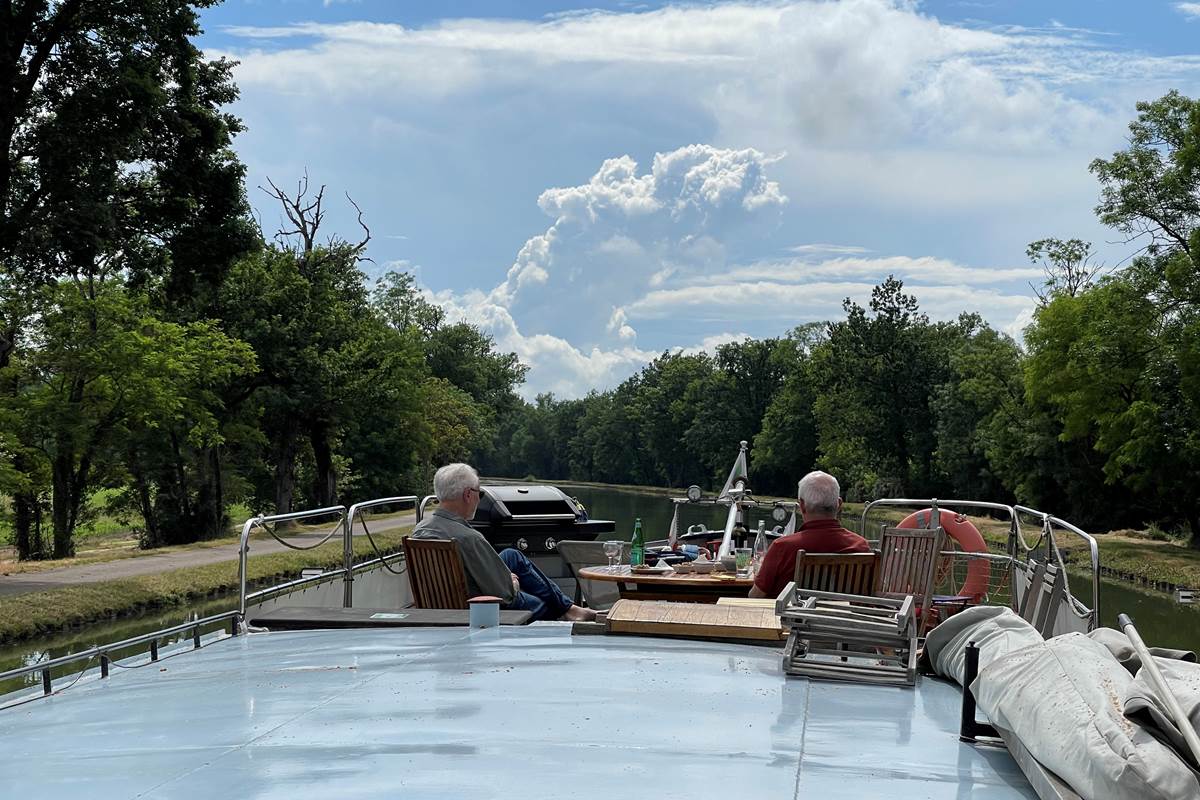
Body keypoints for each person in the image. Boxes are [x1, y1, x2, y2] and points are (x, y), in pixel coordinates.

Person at [411, 463, 597, 622]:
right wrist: (512, 582)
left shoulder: (419, 531)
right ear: (468, 495)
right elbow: (505, 595)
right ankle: (568, 610)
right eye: (479, 493)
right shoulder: (469, 538)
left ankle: (570, 610)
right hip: (478, 609)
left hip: (439, 607)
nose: (478, 498)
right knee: (545, 606)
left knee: (511, 555)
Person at [748, 470, 871, 599]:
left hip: (791, 619)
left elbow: (756, 596)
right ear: (839, 504)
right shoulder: (861, 547)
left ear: (802, 505)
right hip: (844, 618)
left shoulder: (782, 547)